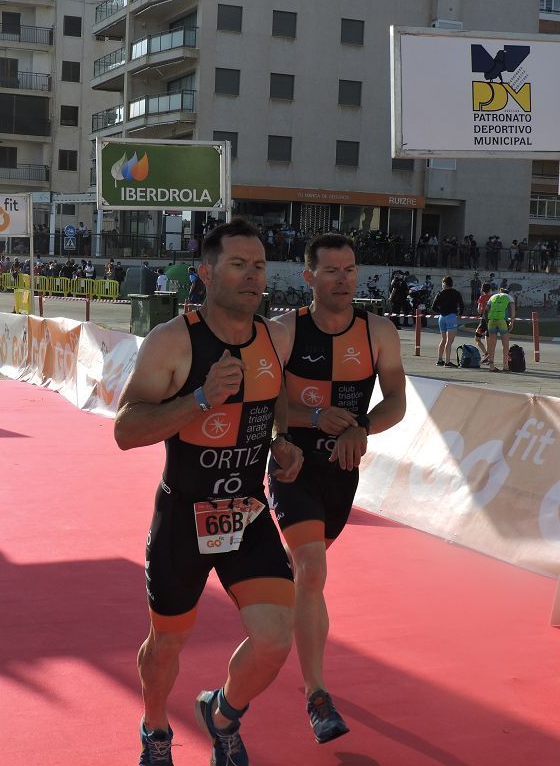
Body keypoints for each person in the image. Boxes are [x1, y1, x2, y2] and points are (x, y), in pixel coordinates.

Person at [115, 218, 304, 766]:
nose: (253, 277)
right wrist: (200, 399)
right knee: (166, 645)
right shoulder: (173, 340)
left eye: (260, 266)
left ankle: (221, 714)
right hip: (182, 515)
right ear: (205, 272)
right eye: (239, 265)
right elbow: (126, 430)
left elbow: (275, 403)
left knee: (275, 638)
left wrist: (282, 442)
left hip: (246, 512)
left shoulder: (271, 336)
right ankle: (155, 729)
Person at [269, 233, 406, 745]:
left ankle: (285, 586)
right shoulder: (283, 331)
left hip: (341, 470)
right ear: (309, 277)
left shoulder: (379, 332)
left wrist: (361, 428)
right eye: (331, 271)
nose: (344, 279)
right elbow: (265, 400)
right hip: (292, 462)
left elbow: (396, 401)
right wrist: (308, 420)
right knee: (311, 567)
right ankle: (317, 694)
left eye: (350, 269)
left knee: (310, 578)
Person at [431, 276, 465, 366]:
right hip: (451, 316)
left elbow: (433, 307)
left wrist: (441, 311)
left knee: (443, 339)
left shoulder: (440, 293)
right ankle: (447, 361)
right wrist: (459, 313)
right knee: (449, 341)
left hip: (441, 317)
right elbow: (462, 305)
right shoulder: (456, 293)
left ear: (444, 283)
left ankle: (440, 360)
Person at [484, 286, 515, 372]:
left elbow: (486, 311)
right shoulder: (509, 298)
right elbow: (512, 311)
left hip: (491, 321)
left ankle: (491, 366)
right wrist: (512, 322)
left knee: (492, 345)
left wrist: (487, 321)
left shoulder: (493, 297)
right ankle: (505, 366)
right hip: (502, 322)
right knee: (505, 344)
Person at [474, 282, 493, 364]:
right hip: (492, 320)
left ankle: (486, 353)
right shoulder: (493, 297)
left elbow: (479, 310)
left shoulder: (481, 297)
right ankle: (489, 358)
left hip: (483, 320)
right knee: (489, 340)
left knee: (477, 339)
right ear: (490, 289)